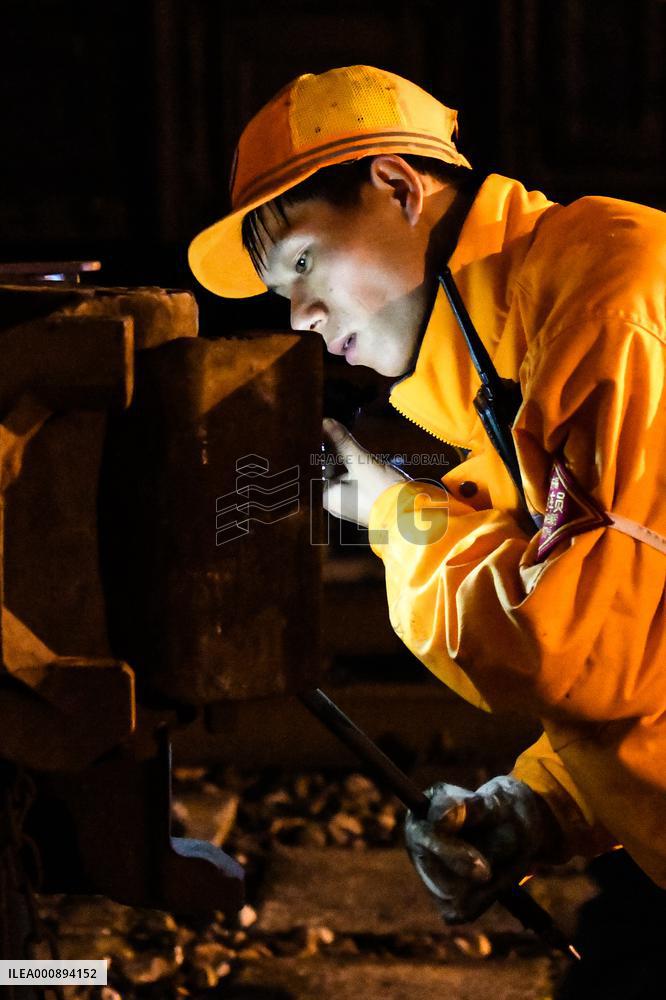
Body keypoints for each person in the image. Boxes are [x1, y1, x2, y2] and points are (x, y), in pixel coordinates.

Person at [189, 64, 665, 958]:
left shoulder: (610, 303)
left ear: (399, 187)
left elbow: (577, 650)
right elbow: (650, 648)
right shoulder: (509, 350)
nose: (300, 317)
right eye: (283, 291)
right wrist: (542, 807)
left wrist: (392, 515)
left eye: (304, 262)